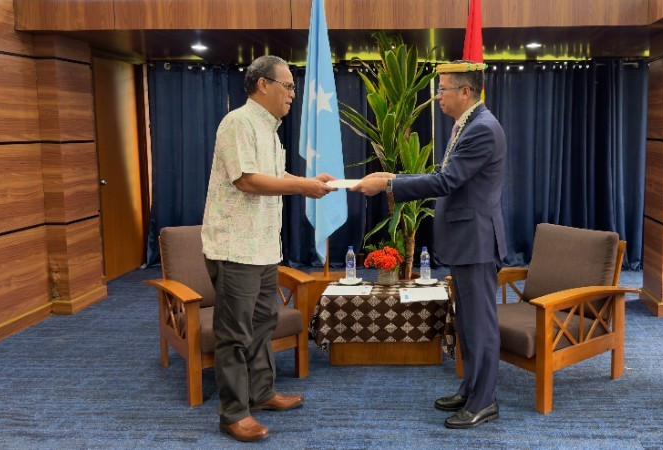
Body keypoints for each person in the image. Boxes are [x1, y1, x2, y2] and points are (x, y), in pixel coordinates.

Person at [352, 60, 507, 429]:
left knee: (481, 326)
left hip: (476, 242)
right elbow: (444, 174)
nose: (438, 96)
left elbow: (446, 182)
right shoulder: (468, 124)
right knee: (467, 323)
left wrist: (389, 185)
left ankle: (484, 401)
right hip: (466, 241)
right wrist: (393, 175)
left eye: (442, 89)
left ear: (465, 91)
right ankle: (471, 388)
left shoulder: (482, 129)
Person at [202, 55, 336, 442]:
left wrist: (308, 181)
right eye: (288, 85)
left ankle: (260, 393)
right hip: (235, 248)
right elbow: (246, 180)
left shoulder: (270, 130)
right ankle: (233, 413)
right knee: (234, 333)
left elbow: (274, 176)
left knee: (263, 324)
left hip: (263, 246)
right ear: (263, 85)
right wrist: (303, 187)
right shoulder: (238, 122)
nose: (293, 93)